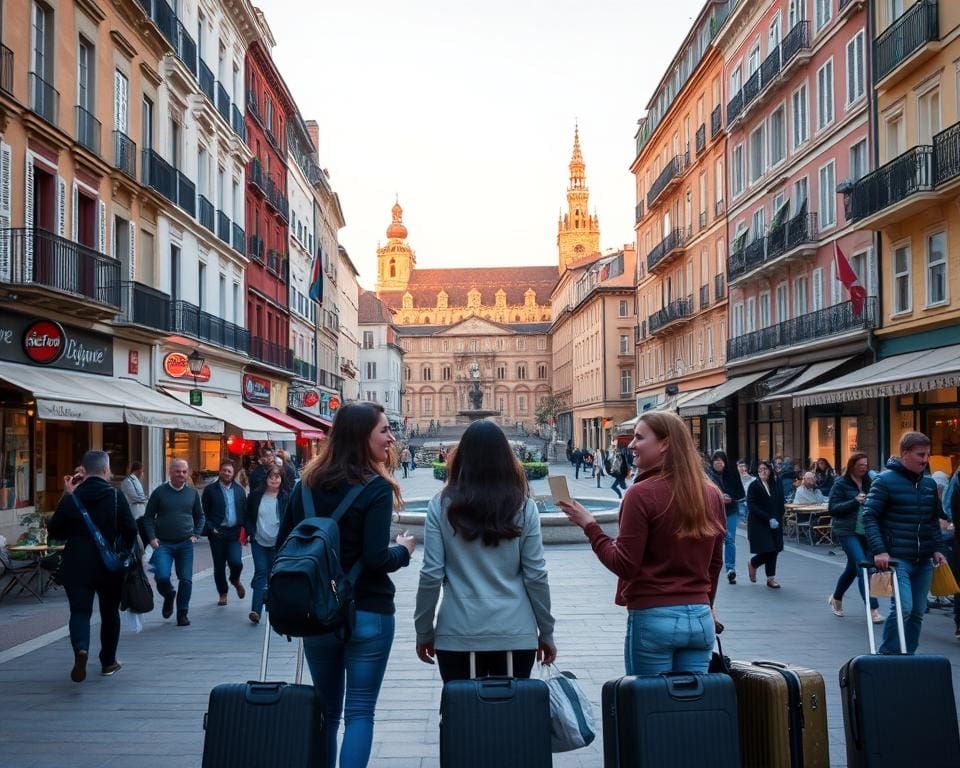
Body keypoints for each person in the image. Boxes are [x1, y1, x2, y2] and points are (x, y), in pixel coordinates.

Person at [276, 402, 416, 768]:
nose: (391, 438)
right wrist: (402, 551)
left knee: (327, 712)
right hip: (368, 612)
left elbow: (283, 548)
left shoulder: (304, 485)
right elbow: (375, 559)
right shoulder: (376, 489)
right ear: (361, 437)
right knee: (359, 713)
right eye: (384, 430)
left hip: (318, 612)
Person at [558, 412, 725, 675]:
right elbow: (715, 564)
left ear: (665, 444)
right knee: (692, 710)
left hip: (655, 617)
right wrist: (707, 604)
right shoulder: (711, 493)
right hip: (700, 619)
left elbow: (625, 564)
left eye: (639, 437)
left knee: (650, 709)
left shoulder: (640, 494)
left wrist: (590, 526)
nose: (631, 445)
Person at [415, 421, 556, 682]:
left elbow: (431, 575)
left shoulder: (441, 505)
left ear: (461, 459)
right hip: (515, 631)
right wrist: (546, 631)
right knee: (510, 720)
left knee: (462, 718)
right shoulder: (524, 507)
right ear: (506, 459)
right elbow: (536, 575)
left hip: (457, 632)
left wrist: (423, 630)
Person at [47, 450, 137, 682]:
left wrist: (67, 497)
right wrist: (122, 551)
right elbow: (130, 529)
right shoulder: (116, 496)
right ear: (106, 470)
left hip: (76, 563)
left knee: (79, 611)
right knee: (109, 613)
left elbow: (55, 531)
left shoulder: (72, 497)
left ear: (83, 471)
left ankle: (81, 650)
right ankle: (108, 662)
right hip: (109, 566)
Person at [863, 432, 947, 655]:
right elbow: (869, 516)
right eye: (920, 454)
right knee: (904, 607)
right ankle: (888, 654)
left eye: (927, 455)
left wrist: (937, 548)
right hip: (897, 558)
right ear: (905, 453)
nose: (925, 460)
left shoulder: (928, 485)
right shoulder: (884, 480)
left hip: (923, 559)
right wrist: (880, 551)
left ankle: (908, 656)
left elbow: (932, 520)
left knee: (918, 611)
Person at [142, 458, 205, 627]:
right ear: (170, 472)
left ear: (188, 473)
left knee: (186, 579)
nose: (181, 475)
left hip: (185, 543)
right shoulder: (159, 493)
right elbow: (147, 518)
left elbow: (200, 516)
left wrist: (196, 535)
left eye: (184, 472)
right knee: (162, 576)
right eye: (178, 471)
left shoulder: (192, 493)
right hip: (163, 544)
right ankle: (169, 594)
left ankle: (182, 613)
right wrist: (152, 538)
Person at [827, 453, 883, 623]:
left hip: (865, 532)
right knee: (863, 567)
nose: (864, 468)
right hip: (847, 531)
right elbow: (833, 508)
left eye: (866, 465)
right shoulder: (841, 483)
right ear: (852, 466)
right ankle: (873, 609)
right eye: (860, 465)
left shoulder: (869, 483)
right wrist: (854, 501)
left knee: (852, 568)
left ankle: (836, 598)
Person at [244, 465, 289, 624]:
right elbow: (247, 516)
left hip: (278, 543)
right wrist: (251, 532)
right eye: (271, 476)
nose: (274, 479)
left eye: (278, 476)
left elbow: (289, 519)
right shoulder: (256, 496)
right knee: (261, 572)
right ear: (266, 479)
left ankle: (274, 608)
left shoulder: (285, 497)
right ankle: (256, 610)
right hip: (259, 541)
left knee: (274, 575)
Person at [200, 459, 247, 607]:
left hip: (234, 533)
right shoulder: (210, 490)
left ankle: (235, 579)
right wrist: (210, 527)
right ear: (220, 471)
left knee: (236, 562)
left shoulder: (239, 490)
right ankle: (223, 593)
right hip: (217, 533)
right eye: (224, 470)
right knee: (219, 566)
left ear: (233, 474)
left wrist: (245, 529)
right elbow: (204, 512)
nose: (226, 473)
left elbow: (244, 511)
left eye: (229, 471)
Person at [706, 450, 745, 585]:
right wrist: (719, 498)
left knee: (729, 539)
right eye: (715, 460)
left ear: (725, 462)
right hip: (713, 512)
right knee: (714, 539)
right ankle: (710, 567)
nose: (718, 463)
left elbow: (740, 493)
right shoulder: (708, 476)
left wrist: (731, 498)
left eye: (721, 460)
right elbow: (703, 493)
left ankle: (730, 569)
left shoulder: (732, 474)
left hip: (731, 511)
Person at [746, 460, 785, 589]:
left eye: (765, 469)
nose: (762, 471)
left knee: (775, 549)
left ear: (770, 470)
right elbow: (752, 505)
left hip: (775, 522)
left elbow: (780, 501)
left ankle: (767, 576)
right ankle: (755, 564)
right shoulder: (754, 486)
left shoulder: (776, 484)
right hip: (759, 523)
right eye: (760, 469)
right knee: (770, 549)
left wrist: (779, 517)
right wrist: (768, 518)